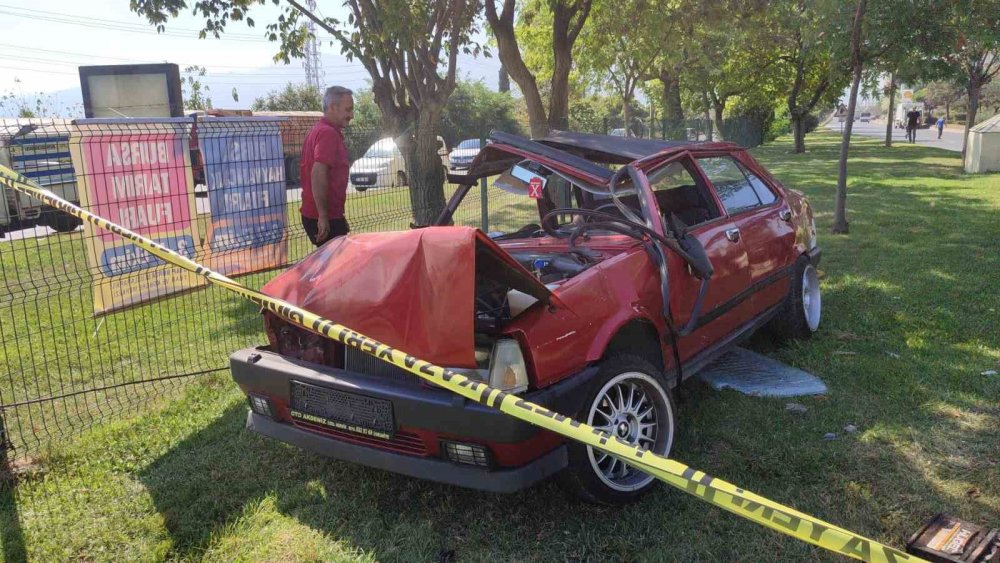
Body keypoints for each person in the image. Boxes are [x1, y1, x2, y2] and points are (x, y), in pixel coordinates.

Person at [300, 86, 354, 246]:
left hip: (325, 215)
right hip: (323, 217)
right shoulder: (327, 134)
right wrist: (324, 216)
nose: (351, 115)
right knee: (339, 268)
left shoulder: (319, 130)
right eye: (348, 109)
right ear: (332, 107)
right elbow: (318, 173)